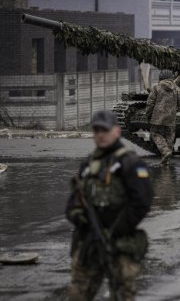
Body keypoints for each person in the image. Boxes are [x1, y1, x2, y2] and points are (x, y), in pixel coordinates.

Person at [65, 110, 153, 301]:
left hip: (119, 243)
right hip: (89, 242)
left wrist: (117, 228)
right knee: (78, 293)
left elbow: (142, 202)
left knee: (122, 294)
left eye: (105, 130)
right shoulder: (88, 164)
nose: (100, 135)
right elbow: (75, 198)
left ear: (117, 131)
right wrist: (78, 216)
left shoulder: (130, 163)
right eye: (96, 130)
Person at [146, 70, 180, 164]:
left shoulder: (156, 88)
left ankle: (165, 151)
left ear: (160, 78)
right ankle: (167, 155)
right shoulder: (177, 89)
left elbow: (150, 103)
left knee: (155, 133)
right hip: (171, 117)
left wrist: (148, 115)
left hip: (157, 117)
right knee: (170, 135)